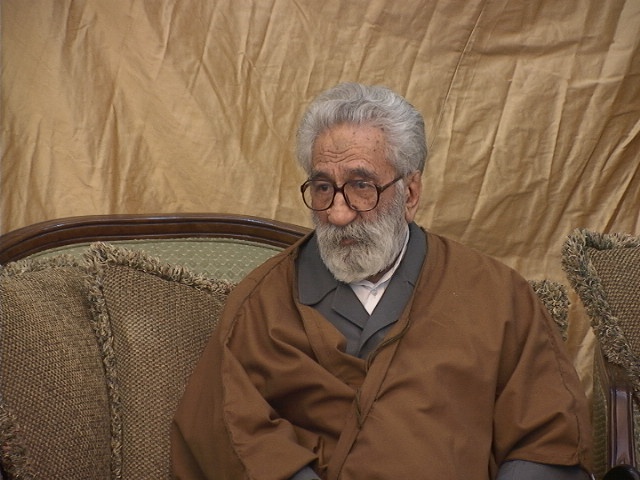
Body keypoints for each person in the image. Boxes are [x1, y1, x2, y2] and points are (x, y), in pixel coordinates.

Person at [171, 83, 593, 479]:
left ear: (410, 193)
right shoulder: (261, 303)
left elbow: (548, 438)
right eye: (322, 187)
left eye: (361, 186)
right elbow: (223, 427)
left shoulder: (496, 295)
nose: (338, 213)